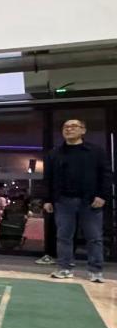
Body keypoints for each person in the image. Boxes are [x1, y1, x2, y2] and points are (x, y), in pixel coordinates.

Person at [44, 119, 111, 281]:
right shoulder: (55, 153)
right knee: (63, 237)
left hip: (91, 201)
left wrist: (102, 195)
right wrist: (47, 200)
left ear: (83, 130)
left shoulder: (96, 151)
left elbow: (106, 175)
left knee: (94, 237)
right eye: (66, 127)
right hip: (63, 201)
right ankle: (64, 268)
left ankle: (95, 271)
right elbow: (48, 179)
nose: (69, 129)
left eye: (73, 126)